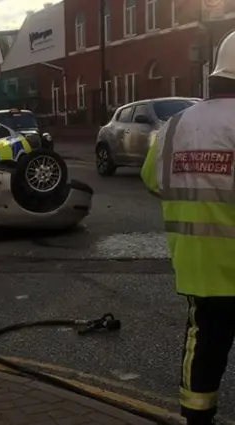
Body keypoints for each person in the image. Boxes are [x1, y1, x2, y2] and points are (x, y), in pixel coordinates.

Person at [140, 30, 235, 425]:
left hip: (197, 265)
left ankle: (197, 417)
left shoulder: (174, 126)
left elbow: (152, 179)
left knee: (205, 341)